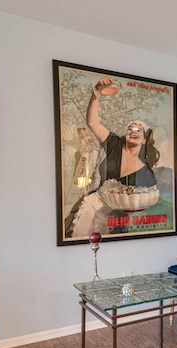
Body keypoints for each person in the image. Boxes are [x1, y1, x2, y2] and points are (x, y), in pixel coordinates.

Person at [64, 77, 160, 237]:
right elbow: (93, 122)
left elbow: (145, 198)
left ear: (144, 139)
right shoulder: (114, 143)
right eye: (130, 127)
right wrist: (95, 93)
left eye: (139, 129)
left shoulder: (146, 173)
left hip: (117, 218)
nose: (133, 131)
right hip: (93, 206)